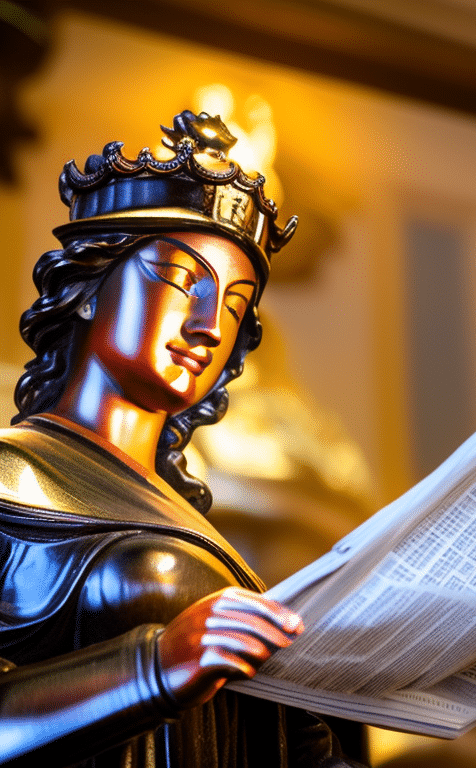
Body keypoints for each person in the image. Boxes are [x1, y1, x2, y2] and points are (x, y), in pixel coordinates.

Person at [0, 110, 367, 767]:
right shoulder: (11, 476)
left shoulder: (201, 532)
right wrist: (155, 667)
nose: (209, 326)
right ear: (90, 288)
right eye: (179, 281)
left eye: (234, 305)